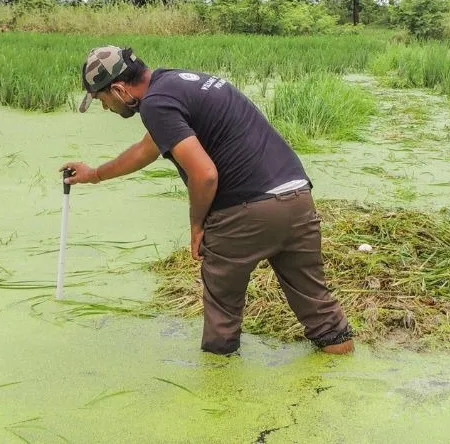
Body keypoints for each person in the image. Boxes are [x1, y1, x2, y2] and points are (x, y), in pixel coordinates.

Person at [60, 45, 355, 356]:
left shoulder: (156, 105)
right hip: (297, 199)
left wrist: (197, 225)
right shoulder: (177, 83)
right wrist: (93, 174)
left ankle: (220, 389)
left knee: (222, 318)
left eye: (101, 99)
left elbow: (205, 175)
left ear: (118, 89)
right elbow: (145, 149)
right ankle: (342, 378)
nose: (105, 107)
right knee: (321, 315)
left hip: (247, 211)